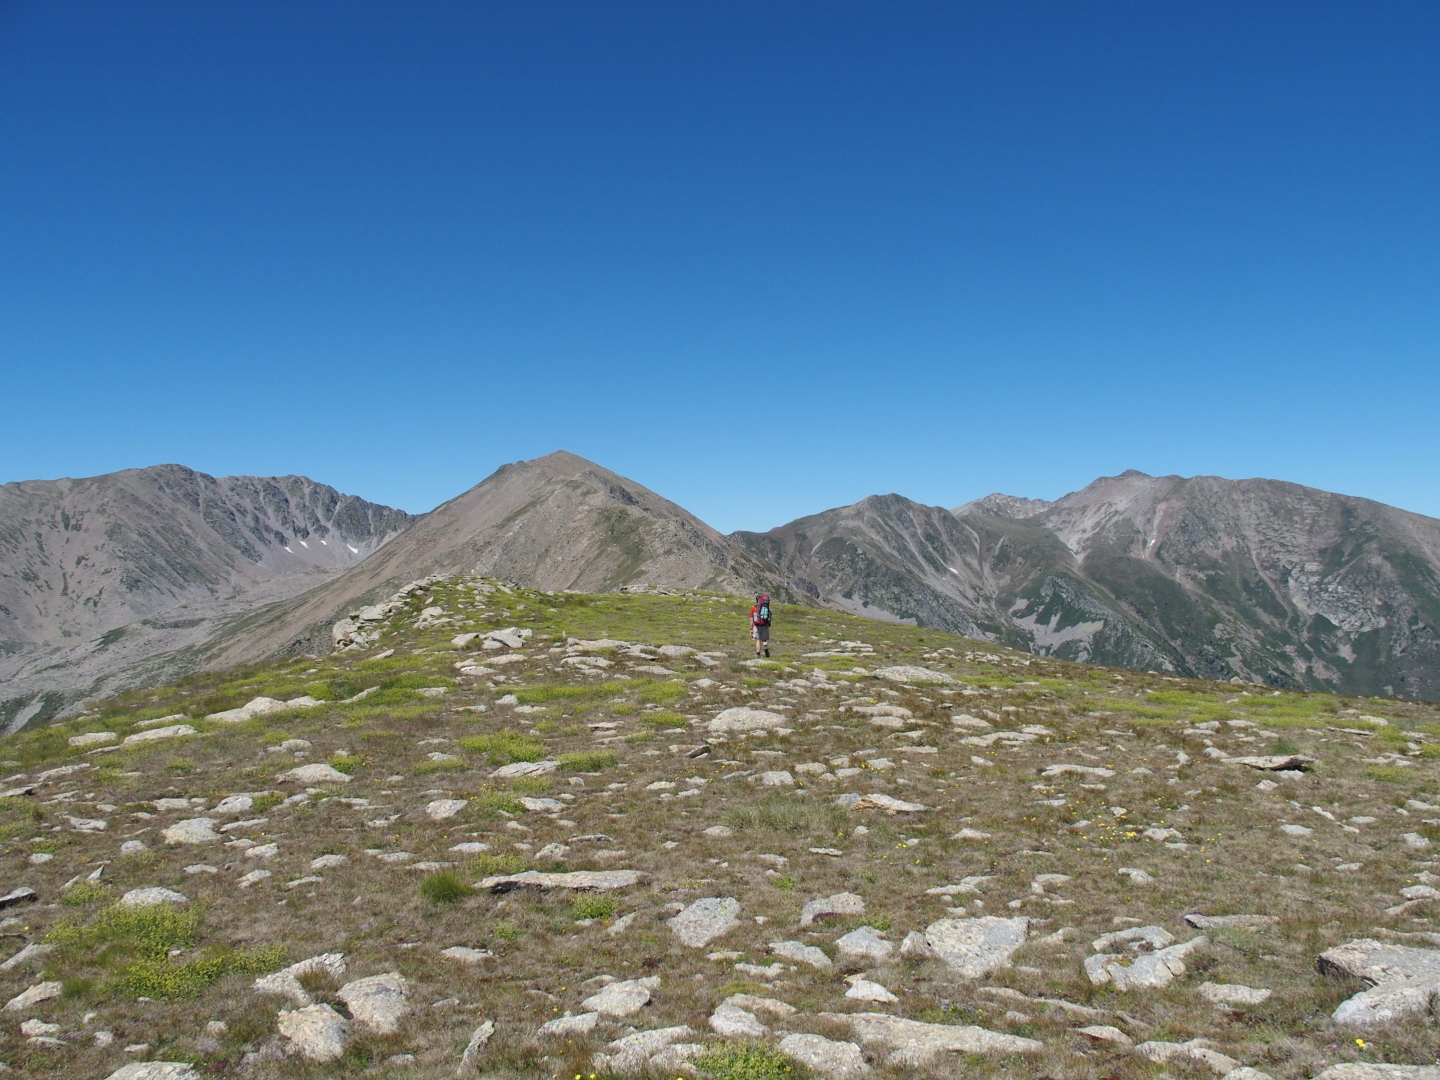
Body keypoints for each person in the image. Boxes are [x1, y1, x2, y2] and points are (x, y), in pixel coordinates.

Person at [750, 593, 772, 657]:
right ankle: (765, 648)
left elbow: (751, 619)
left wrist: (751, 629)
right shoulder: (766, 607)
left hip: (756, 626)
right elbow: (769, 617)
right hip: (765, 625)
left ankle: (758, 655)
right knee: (764, 640)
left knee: (758, 640)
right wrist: (769, 623)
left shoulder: (754, 608)